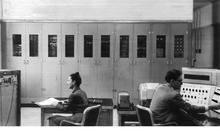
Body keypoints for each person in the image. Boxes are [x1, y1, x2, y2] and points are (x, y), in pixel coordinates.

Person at [150, 69, 220, 125]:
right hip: (163, 122)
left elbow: (176, 105)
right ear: (172, 81)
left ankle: (198, 123)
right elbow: (190, 109)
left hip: (154, 118)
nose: (182, 83)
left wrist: (181, 101)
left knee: (183, 112)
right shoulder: (173, 94)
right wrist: (211, 107)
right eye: (180, 81)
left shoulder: (160, 87)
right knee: (195, 117)